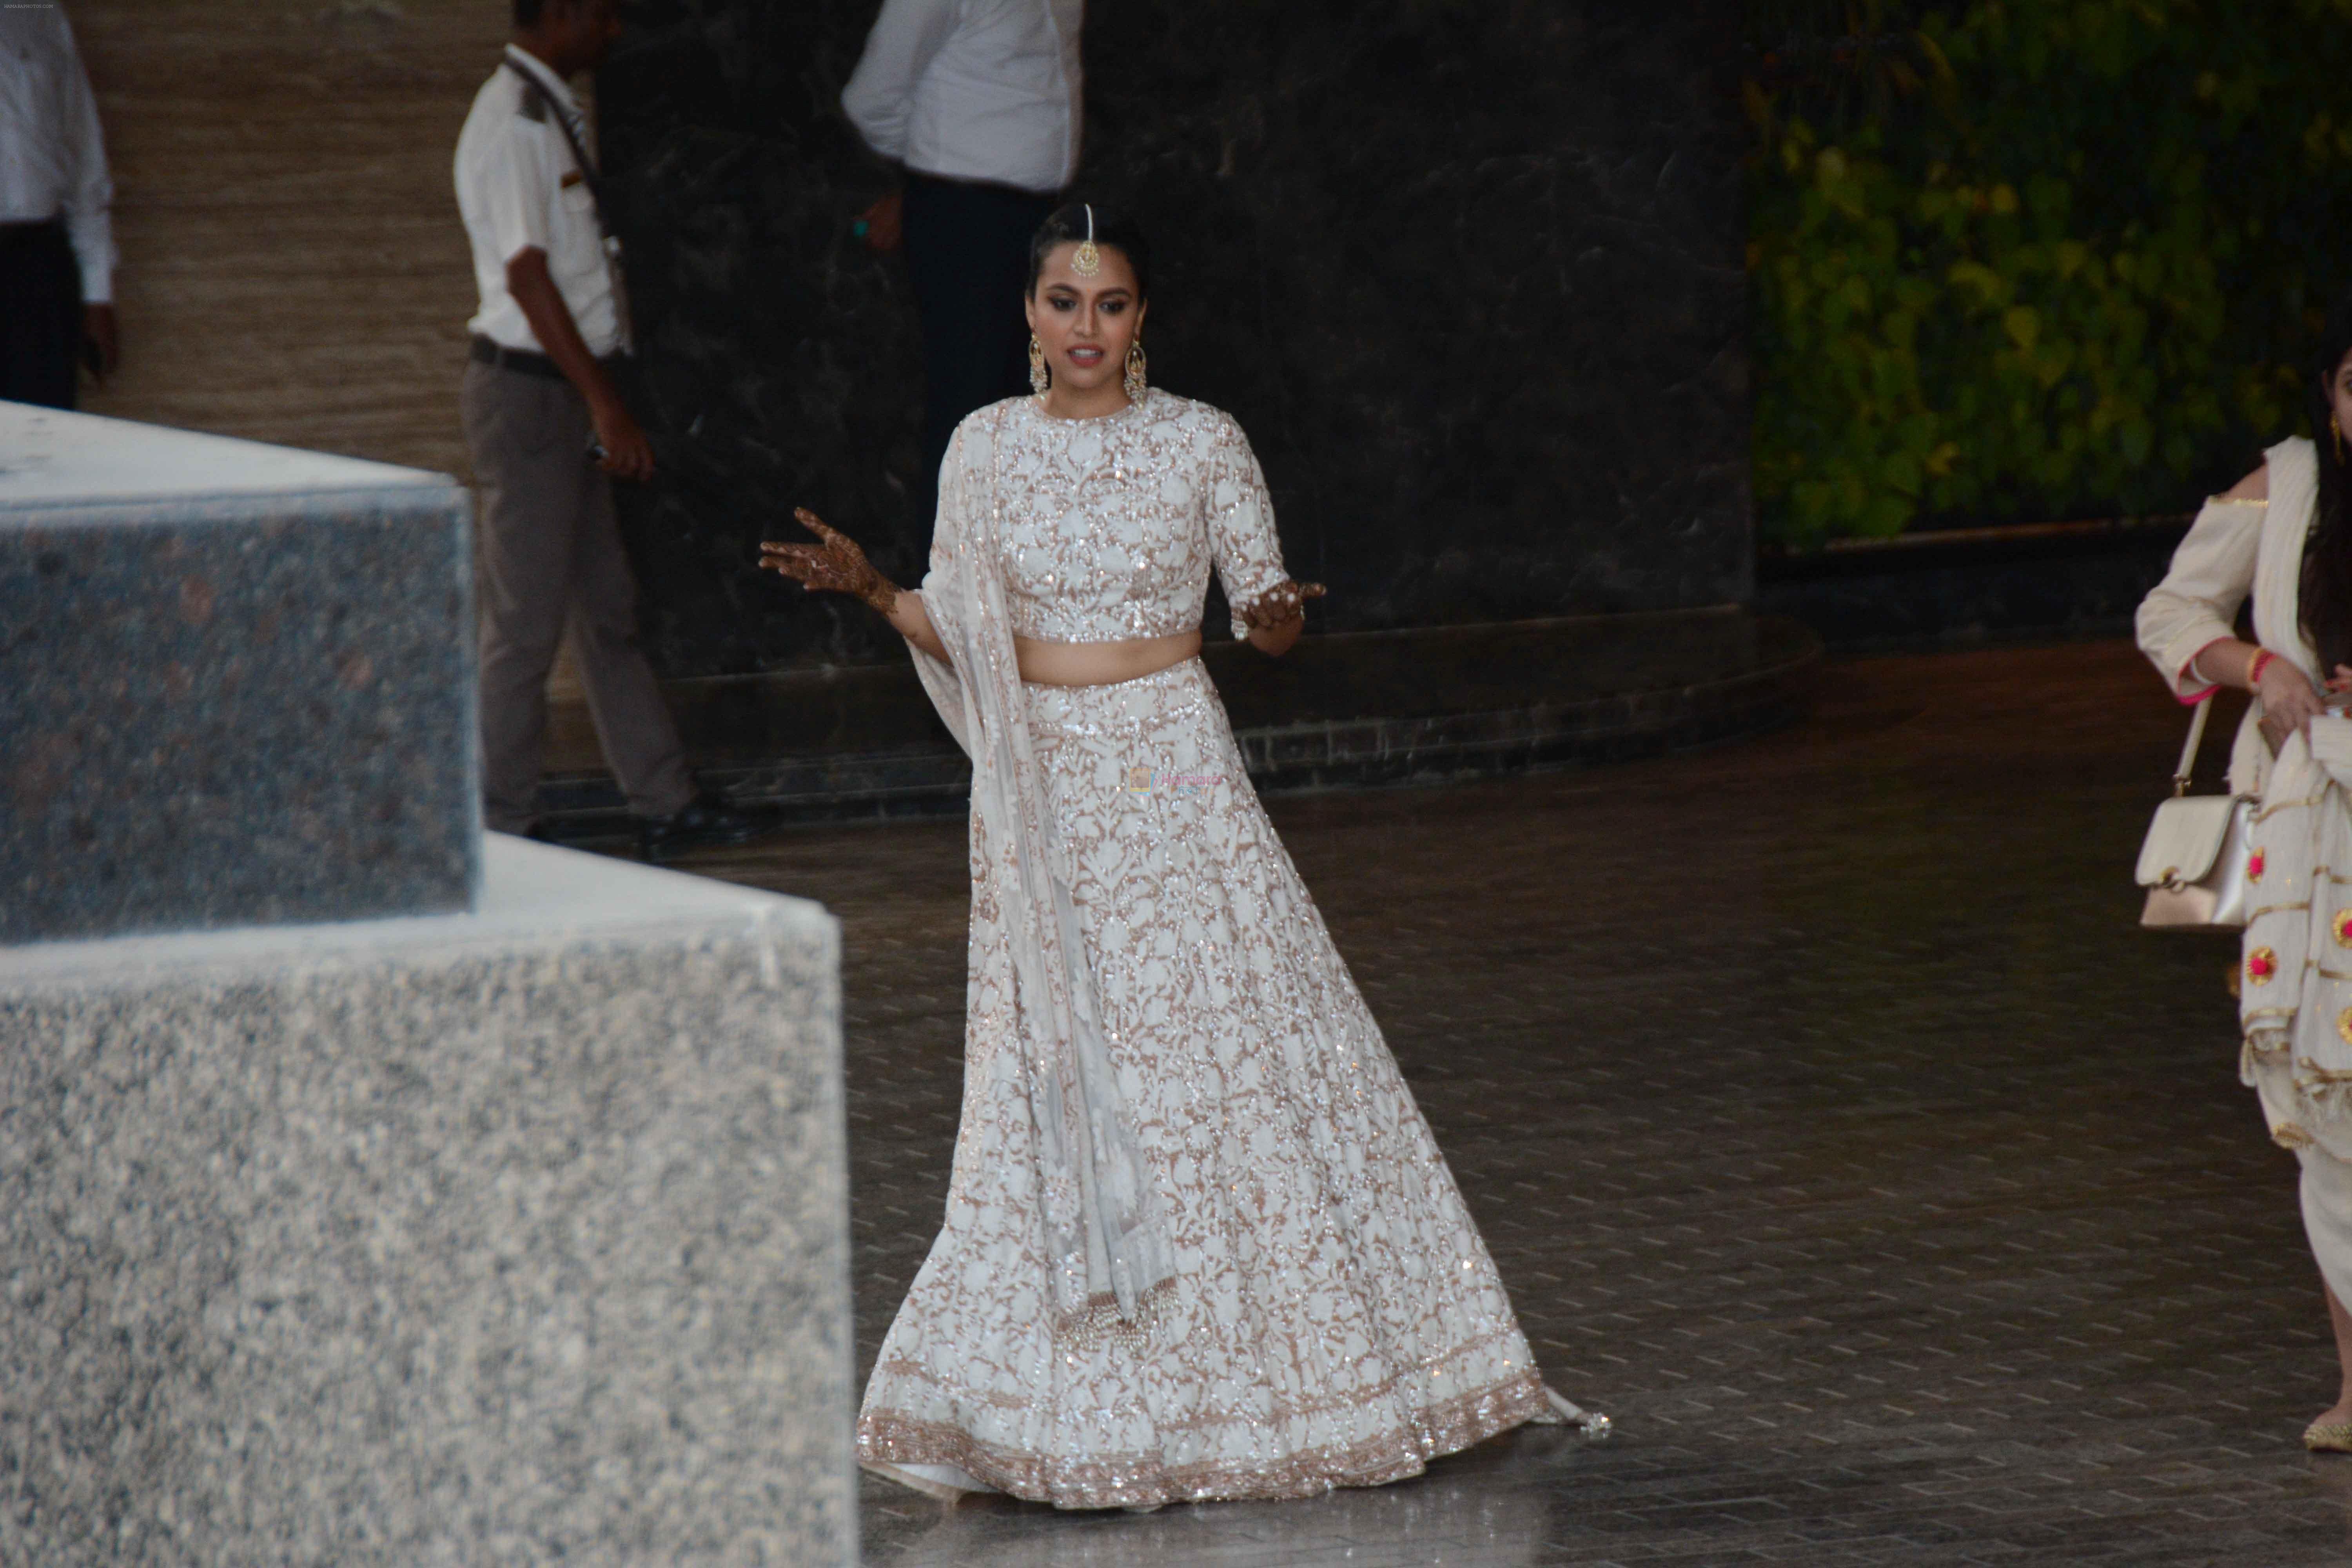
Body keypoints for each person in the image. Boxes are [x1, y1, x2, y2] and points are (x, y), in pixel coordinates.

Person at [762, 203, 1606, 1509]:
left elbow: (1263, 622)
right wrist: (879, 597)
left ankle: (1309, 1373)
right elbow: (964, 627)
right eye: (1061, 301)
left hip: (1170, 758)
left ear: (1141, 316)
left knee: (1228, 1048)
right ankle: (1074, 1399)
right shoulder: (983, 449)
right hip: (1043, 783)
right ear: (1028, 316)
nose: (1084, 326)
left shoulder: (1205, 441)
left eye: (1108, 304)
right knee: (1070, 1060)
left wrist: (1269, 617)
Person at [454, 0, 771, 860]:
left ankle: (664, 801)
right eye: (600, 11)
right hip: (537, 399)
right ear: (557, 13)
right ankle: (497, 825)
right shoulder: (516, 120)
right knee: (523, 625)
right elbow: (527, 278)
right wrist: (607, 406)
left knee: (608, 608)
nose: (616, 28)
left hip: (564, 393)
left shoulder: (547, 105)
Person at [2137, 288, 2352, 1454]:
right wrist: (2259, 665)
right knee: (2326, 1104)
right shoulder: (2287, 488)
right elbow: (2167, 612)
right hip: (2311, 830)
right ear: (2328, 398)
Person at [840, 0, 1081, 542]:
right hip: (966, 216)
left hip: (1038, 215)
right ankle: (954, 611)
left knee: (1032, 412)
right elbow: (872, 97)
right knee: (971, 414)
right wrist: (934, 170)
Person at [0, 2, 120, 409]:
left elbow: (84, 152)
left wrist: (97, 293)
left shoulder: (36, 11)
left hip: (35, 269)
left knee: (44, 440)